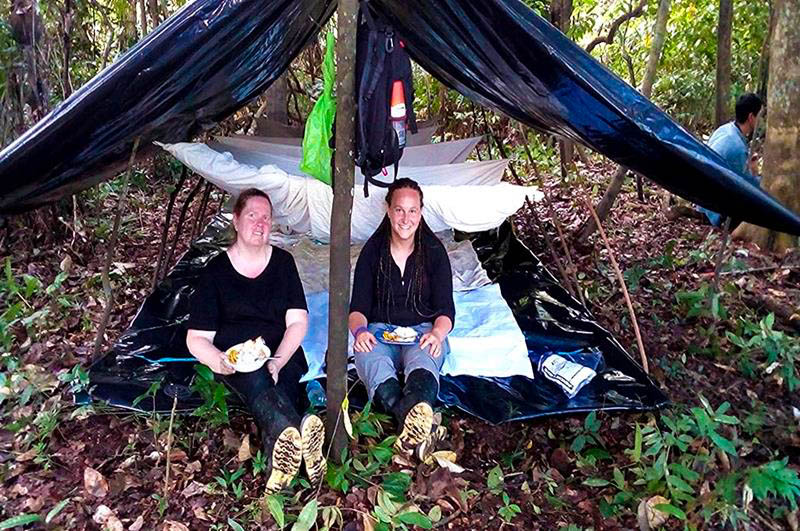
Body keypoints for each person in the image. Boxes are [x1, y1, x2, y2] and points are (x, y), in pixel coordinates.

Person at [185, 188, 325, 494]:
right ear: (236, 220)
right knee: (259, 381)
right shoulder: (215, 272)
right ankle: (298, 431)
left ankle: (282, 456)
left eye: (266, 217)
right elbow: (196, 338)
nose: (260, 223)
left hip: (281, 352)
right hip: (237, 359)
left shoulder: (283, 263)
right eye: (252, 215)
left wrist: (279, 359)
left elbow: (298, 321)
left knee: (282, 382)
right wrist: (217, 360)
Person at [349, 178, 455, 455]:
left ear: (421, 212)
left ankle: (410, 424)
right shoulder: (372, 252)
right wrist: (360, 333)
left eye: (412, 210)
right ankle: (420, 427)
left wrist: (437, 334)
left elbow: (446, 311)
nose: (405, 218)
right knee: (370, 360)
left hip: (422, 330)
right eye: (399, 210)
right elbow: (357, 309)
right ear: (388, 210)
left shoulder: (434, 252)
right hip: (380, 330)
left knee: (425, 360)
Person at [699, 92, 763, 227]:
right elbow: (750, 189)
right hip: (714, 212)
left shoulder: (725, 129)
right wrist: (755, 171)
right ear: (751, 117)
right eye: (760, 117)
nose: (761, 121)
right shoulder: (737, 148)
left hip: (702, 199)